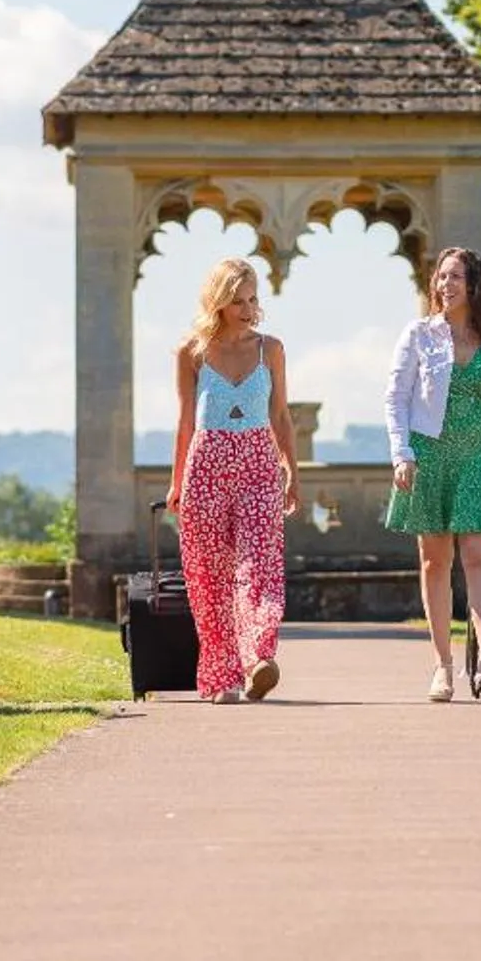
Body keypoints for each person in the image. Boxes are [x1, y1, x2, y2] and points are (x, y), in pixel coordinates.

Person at [384, 246, 481, 701]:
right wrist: (402, 453)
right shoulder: (419, 334)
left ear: (475, 285)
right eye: (441, 277)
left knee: (480, 558)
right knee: (435, 561)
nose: (445, 285)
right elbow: (396, 399)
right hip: (430, 456)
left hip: (480, 458)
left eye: (455, 277)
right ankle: (443, 666)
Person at [170, 257, 299, 702]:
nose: (247, 308)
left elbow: (281, 415)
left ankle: (258, 657)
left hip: (260, 465)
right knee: (211, 575)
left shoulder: (272, 349)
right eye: (237, 300)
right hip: (205, 467)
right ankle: (221, 678)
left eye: (252, 299)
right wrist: (176, 484)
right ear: (219, 302)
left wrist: (292, 473)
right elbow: (185, 422)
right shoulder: (192, 352)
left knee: (259, 563)